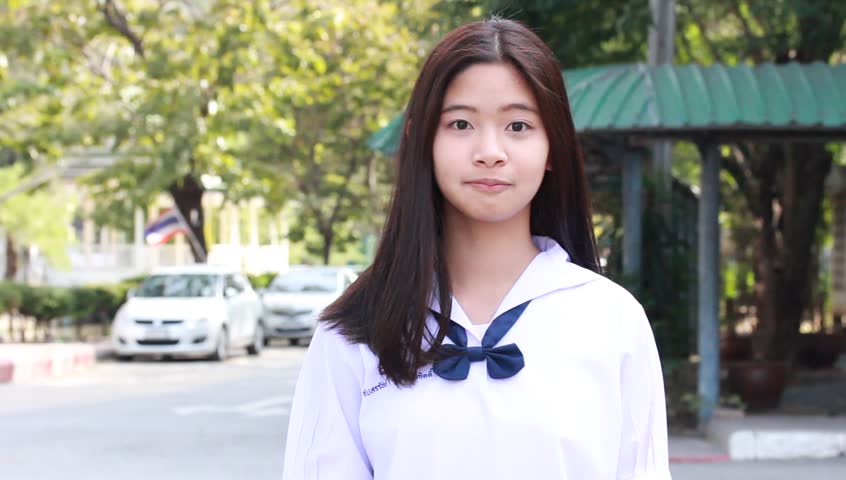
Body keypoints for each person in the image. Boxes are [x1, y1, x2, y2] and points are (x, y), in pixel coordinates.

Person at [283, 17, 671, 480]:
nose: (490, 151)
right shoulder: (354, 330)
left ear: (553, 149)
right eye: (461, 123)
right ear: (421, 140)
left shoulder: (611, 320)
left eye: (519, 125)